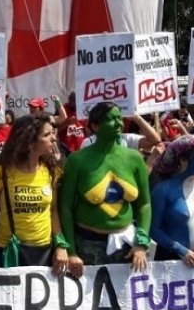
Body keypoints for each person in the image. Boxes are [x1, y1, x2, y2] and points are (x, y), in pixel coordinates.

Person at [59, 102, 151, 277]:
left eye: (119, 118)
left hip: (127, 247)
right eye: (111, 119)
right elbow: (65, 208)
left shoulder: (134, 158)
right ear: (95, 125)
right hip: (87, 245)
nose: (118, 123)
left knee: (124, 301)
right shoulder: (77, 160)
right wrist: (71, 251)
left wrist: (141, 243)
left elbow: (144, 204)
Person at [0, 113, 68, 273]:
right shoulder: (1, 172)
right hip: (8, 252)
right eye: (47, 135)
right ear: (30, 142)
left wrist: (60, 245)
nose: (53, 139)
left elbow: (53, 212)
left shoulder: (52, 171)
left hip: (44, 252)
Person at [150, 135, 194, 263]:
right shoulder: (163, 190)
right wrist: (181, 250)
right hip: (172, 263)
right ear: (182, 160)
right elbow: (152, 229)